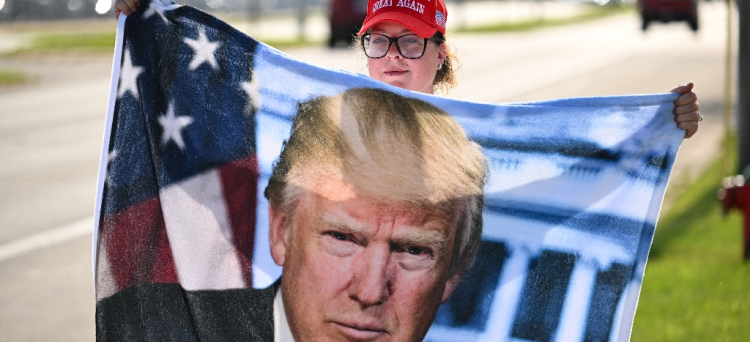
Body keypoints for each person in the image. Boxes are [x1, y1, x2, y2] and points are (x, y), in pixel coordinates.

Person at [96, 87, 487, 342]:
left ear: (453, 274)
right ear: (282, 230)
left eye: (413, 251)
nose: (370, 291)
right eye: (343, 238)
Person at [113, 0, 701, 138]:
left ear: (439, 54)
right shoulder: (325, 125)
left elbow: (575, 151)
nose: (393, 56)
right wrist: (148, 22)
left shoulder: (470, 134)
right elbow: (222, 119)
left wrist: (660, 123)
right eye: (379, 42)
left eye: (411, 43)